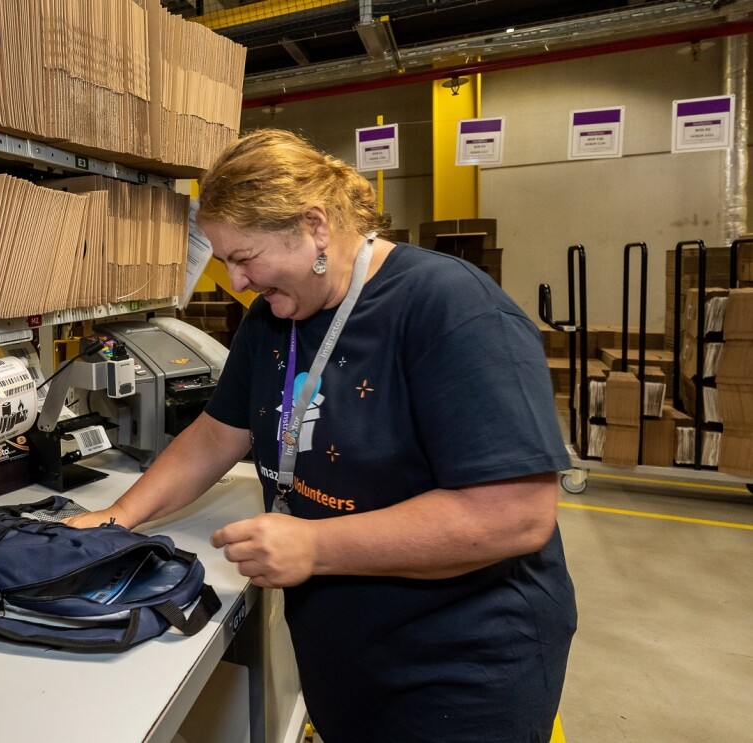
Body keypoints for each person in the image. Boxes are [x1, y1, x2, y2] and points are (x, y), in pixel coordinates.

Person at [67, 128, 576, 742]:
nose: (237, 281)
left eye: (245, 257)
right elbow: (214, 436)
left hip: (459, 661)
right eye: (223, 261)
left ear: (314, 226)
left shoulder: (449, 309)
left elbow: (514, 515)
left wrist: (316, 546)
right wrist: (120, 516)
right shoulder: (273, 321)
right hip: (344, 642)